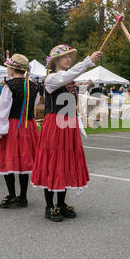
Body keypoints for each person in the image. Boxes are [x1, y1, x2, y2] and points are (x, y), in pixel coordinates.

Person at [30, 44, 102, 222]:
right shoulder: (52, 79)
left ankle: (60, 204)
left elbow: (72, 105)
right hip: (55, 126)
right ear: (55, 61)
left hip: (68, 126)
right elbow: (67, 75)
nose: (69, 59)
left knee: (65, 163)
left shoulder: (68, 81)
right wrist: (88, 61)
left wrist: (78, 125)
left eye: (70, 56)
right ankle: (49, 206)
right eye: (65, 57)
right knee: (52, 163)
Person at [0, 54, 40, 209]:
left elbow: (2, 112)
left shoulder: (9, 86)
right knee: (24, 161)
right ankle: (23, 197)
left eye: (8, 66)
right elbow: (35, 103)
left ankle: (12, 195)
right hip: (28, 126)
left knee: (9, 159)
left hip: (12, 126)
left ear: (12, 68)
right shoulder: (34, 86)